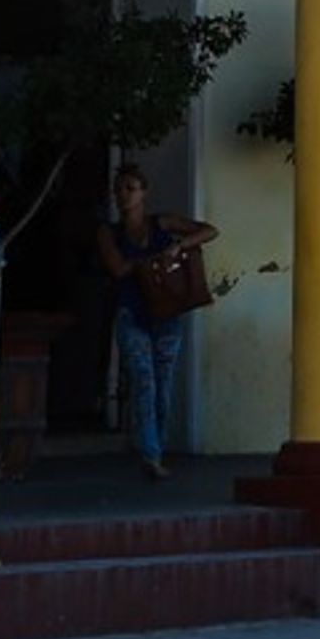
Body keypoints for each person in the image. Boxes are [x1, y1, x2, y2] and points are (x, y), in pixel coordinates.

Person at [96, 164, 219, 481]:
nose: (124, 196)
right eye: (119, 189)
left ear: (144, 193)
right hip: (131, 312)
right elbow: (118, 268)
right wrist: (153, 259)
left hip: (166, 311)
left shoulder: (162, 223)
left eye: (131, 189)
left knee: (163, 385)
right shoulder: (109, 233)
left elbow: (208, 230)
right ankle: (150, 453)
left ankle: (157, 448)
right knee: (144, 381)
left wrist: (178, 246)